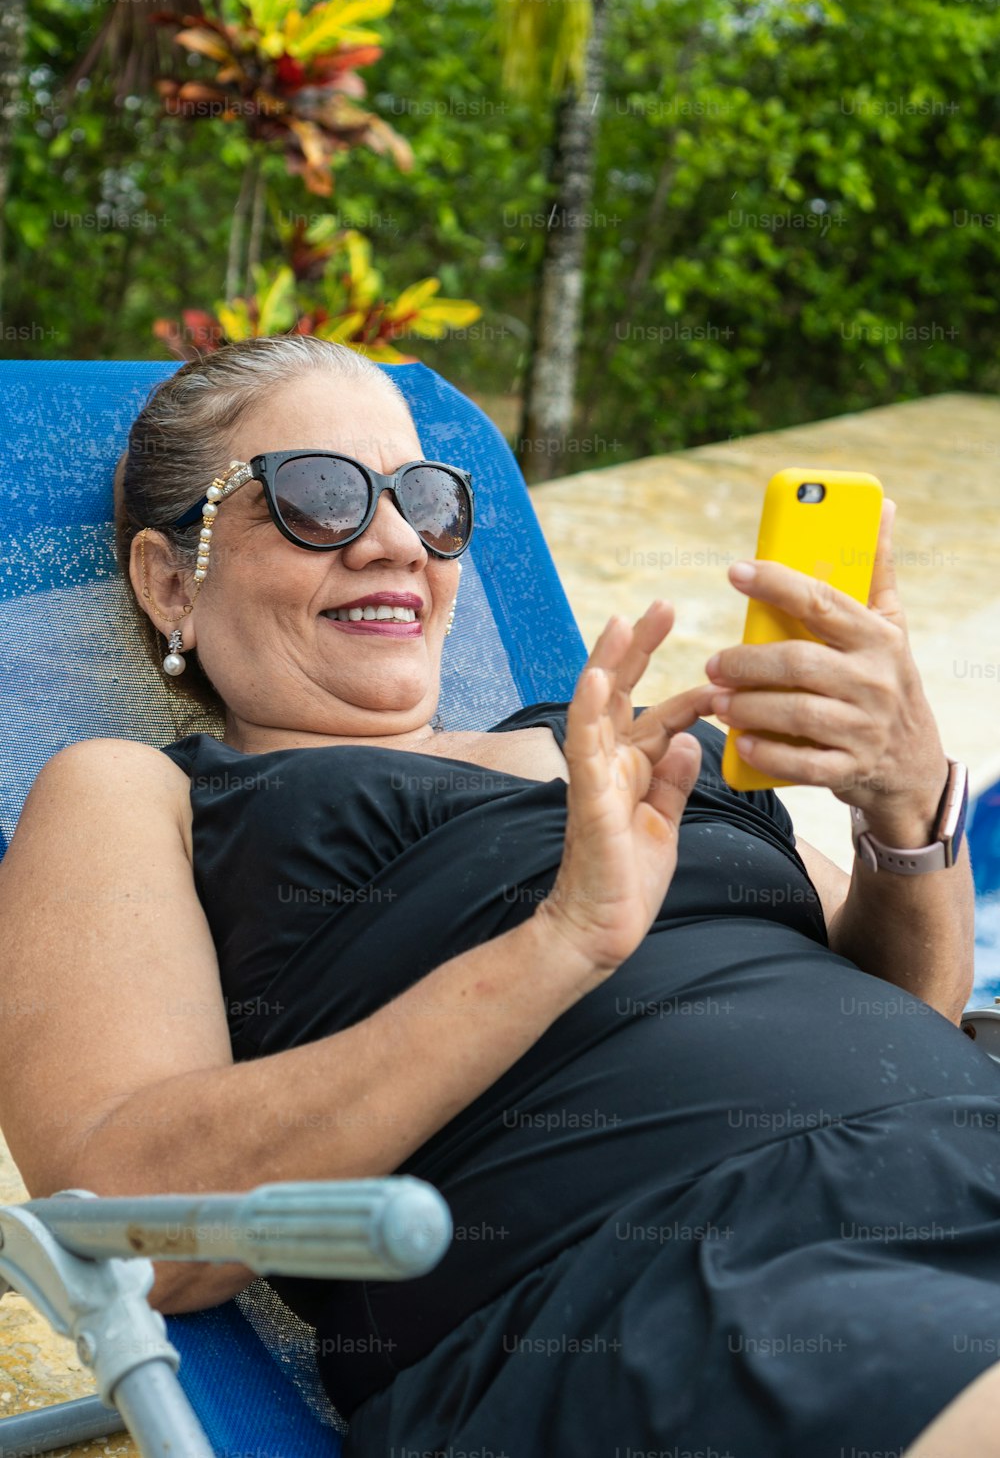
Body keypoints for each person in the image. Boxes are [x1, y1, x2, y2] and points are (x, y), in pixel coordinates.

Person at [0, 333, 997, 1458]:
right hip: (667, 1287)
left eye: (428, 501)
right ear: (171, 579)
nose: (393, 542)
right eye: (316, 497)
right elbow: (130, 1224)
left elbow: (904, 1016)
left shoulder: (631, 740)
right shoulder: (142, 797)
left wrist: (908, 808)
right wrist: (558, 943)